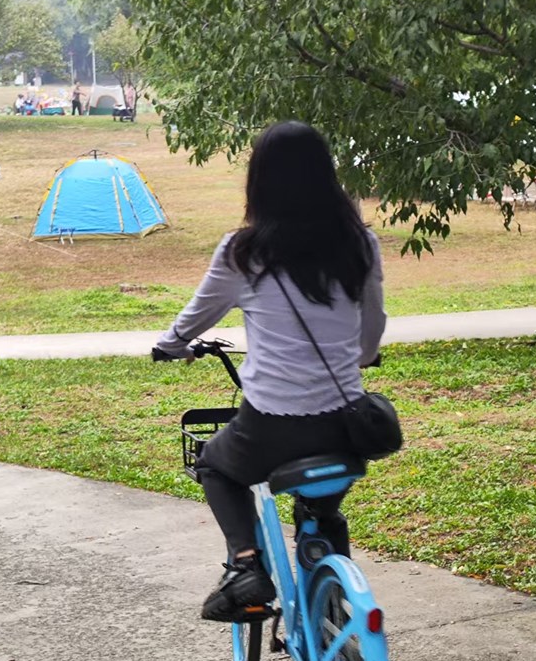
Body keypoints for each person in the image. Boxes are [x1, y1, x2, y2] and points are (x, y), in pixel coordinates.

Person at [154, 121, 386, 622]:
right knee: (324, 511)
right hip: (344, 425)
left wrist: (171, 346)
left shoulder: (244, 252)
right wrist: (362, 357)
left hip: (270, 426)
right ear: (327, 176)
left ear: (259, 181)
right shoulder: (359, 244)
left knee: (215, 466)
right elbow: (372, 330)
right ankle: (336, 613)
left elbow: (197, 317)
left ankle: (245, 565)